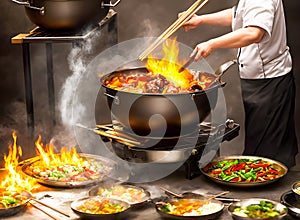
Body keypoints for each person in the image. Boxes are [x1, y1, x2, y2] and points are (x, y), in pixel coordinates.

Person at [180, 0, 298, 168]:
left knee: (267, 156)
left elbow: (254, 33)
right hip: (258, 80)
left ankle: (271, 193)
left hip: (269, 83)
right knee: (260, 150)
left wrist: (211, 44)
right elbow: (240, 15)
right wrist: (201, 19)